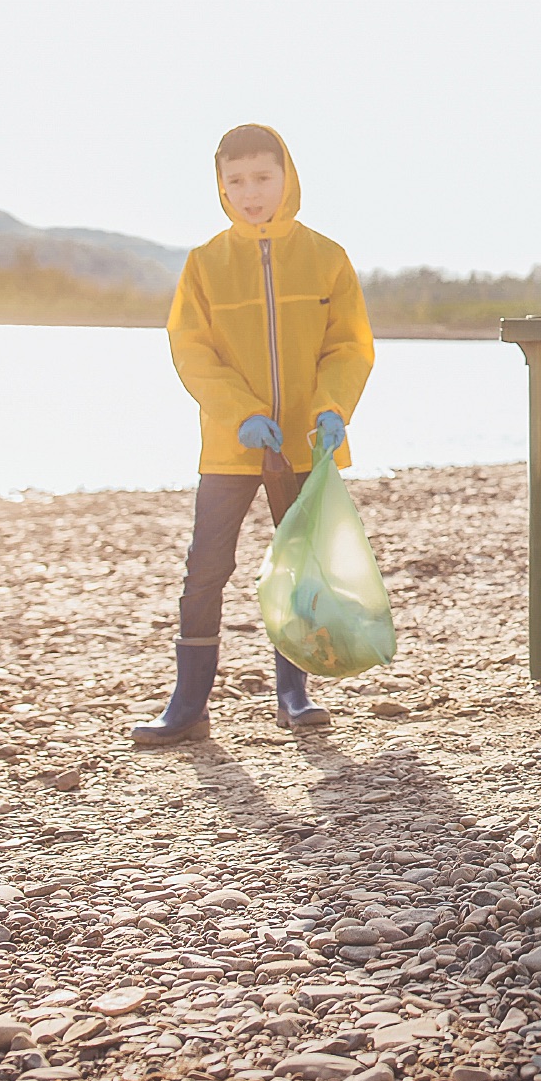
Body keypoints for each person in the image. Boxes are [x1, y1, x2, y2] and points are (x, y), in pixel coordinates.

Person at [133, 124, 376, 745]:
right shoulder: (204, 265)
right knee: (205, 570)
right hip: (230, 445)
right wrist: (238, 412)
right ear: (220, 186)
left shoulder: (327, 258)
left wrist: (332, 406)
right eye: (235, 181)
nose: (250, 192)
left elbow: (348, 346)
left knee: (301, 567)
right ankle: (188, 702)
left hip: (307, 445)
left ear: (287, 177)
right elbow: (192, 352)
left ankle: (293, 692)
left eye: (263, 178)